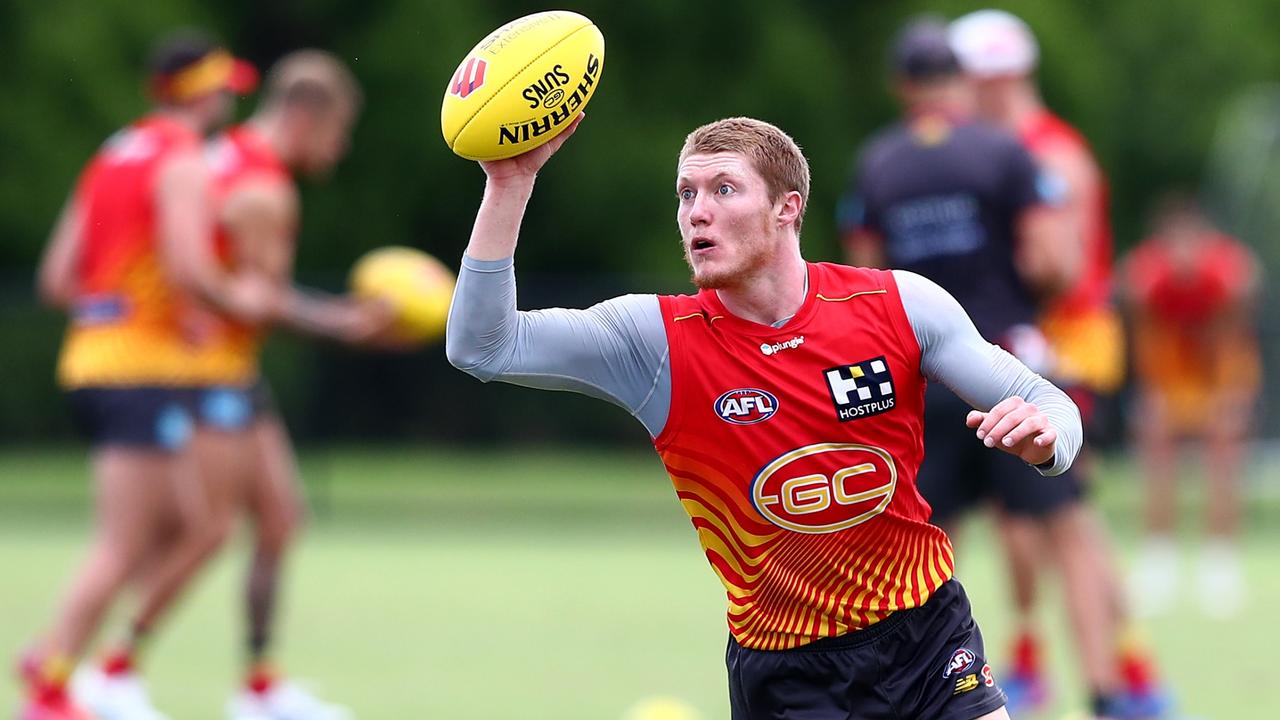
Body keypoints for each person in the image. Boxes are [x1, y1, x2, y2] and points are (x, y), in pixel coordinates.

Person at [446, 114, 1083, 718]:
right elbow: (483, 347)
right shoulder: (654, 341)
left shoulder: (899, 304)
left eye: (724, 189)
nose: (698, 211)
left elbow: (1051, 403)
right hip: (786, 670)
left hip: (928, 634)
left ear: (787, 207)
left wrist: (1047, 439)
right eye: (686, 193)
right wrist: (511, 181)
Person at [69, 50, 385, 720]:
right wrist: (350, 324)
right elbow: (260, 302)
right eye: (340, 128)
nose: (344, 145)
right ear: (308, 115)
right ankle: (111, 669)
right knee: (201, 531)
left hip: (227, 372)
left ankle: (259, 687)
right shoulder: (263, 190)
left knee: (278, 517)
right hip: (204, 375)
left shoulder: (227, 156)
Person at [21, 32, 272, 720]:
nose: (230, 100)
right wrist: (243, 304)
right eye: (224, 88)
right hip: (136, 372)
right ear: (200, 92)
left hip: (97, 362)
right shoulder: (184, 161)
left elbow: (57, 280)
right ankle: (50, 685)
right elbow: (193, 271)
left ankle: (61, 657)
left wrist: (123, 310)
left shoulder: (112, 153)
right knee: (126, 542)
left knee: (189, 524)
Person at [947, 10, 1175, 719]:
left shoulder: (1050, 154)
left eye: (975, 79)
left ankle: (1122, 681)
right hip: (1022, 350)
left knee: (1064, 521)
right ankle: (1098, 671)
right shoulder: (993, 148)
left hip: (1068, 351)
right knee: (1039, 525)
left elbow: (1057, 269)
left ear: (1001, 77)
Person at [1121, 193, 1260, 619]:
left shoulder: (1227, 274)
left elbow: (1234, 333)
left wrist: (1232, 394)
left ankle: (1220, 565)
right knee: (1157, 456)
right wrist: (1151, 392)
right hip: (1169, 374)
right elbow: (1146, 335)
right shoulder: (1146, 277)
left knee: (1224, 459)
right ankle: (1157, 560)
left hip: (1218, 372)